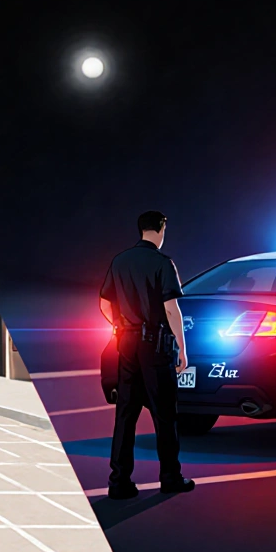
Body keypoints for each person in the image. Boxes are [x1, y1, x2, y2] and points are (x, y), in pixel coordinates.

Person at [99, 211, 194, 499]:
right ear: (161, 228)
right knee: (164, 414)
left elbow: (104, 303)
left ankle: (119, 482)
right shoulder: (163, 263)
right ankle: (170, 478)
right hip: (155, 345)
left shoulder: (119, 261)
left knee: (125, 414)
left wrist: (120, 326)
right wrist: (182, 347)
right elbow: (170, 309)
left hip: (125, 343)